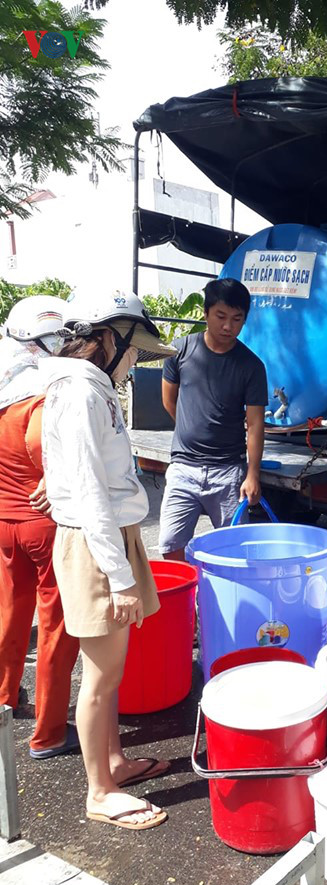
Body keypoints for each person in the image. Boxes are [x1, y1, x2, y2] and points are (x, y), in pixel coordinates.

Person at [41, 290, 177, 830]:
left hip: (111, 537)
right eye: (134, 350)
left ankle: (115, 762)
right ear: (104, 340)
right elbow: (90, 492)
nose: (136, 362)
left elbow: (75, 475)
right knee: (99, 676)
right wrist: (119, 578)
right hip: (98, 544)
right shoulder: (80, 393)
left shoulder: (92, 389)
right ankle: (99, 792)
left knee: (113, 670)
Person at [0, 296, 80, 758]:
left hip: (6, 523)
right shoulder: (47, 395)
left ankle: (6, 698)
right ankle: (49, 733)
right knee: (55, 627)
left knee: (10, 615)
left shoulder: (4, 386)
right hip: (45, 529)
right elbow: (54, 459)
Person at [159, 278, 268, 560]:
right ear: (206, 313)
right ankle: (186, 600)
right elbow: (169, 401)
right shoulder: (179, 352)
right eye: (220, 316)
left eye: (237, 319)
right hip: (183, 468)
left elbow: (255, 424)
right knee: (171, 546)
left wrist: (252, 474)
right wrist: (192, 428)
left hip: (228, 473)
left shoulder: (252, 366)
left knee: (235, 551)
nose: (228, 326)